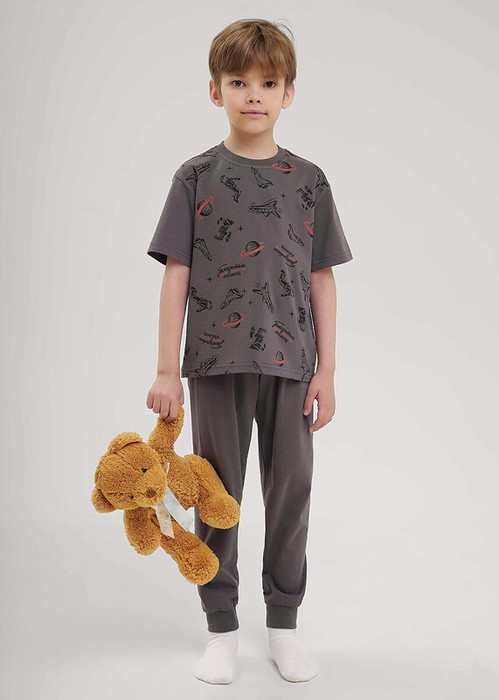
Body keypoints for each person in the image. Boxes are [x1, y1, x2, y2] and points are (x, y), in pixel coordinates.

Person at [145, 18, 353, 684]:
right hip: (213, 364)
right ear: (216, 91)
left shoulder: (309, 181)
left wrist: (327, 370)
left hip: (291, 365)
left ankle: (283, 625)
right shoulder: (195, 176)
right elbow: (176, 274)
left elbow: (322, 279)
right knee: (216, 495)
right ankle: (222, 629)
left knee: (291, 492)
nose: (253, 94)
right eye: (238, 82)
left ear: (288, 93)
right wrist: (165, 370)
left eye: (267, 82)